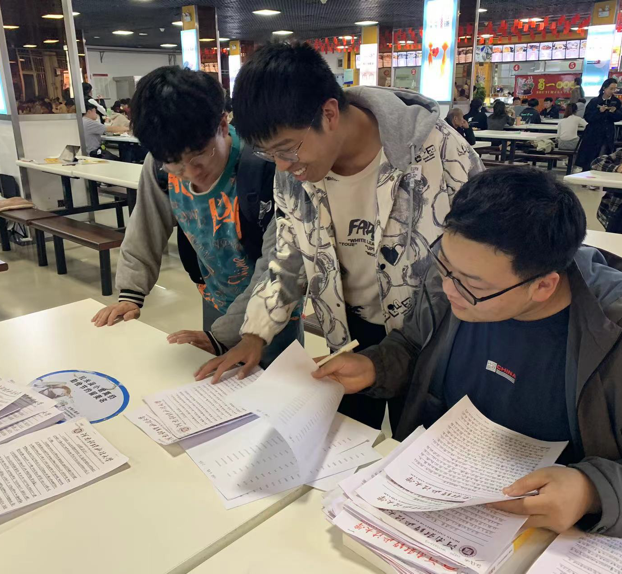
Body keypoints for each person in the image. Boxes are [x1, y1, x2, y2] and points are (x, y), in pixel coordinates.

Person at [314, 166, 622, 547]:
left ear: (543, 286)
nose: (448, 288)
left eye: (472, 285)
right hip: (447, 506)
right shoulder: (456, 276)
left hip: (562, 540)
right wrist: (375, 366)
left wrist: (591, 491)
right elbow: (415, 346)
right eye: (444, 265)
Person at [196, 42, 483, 430]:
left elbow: (476, 265)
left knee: (415, 441)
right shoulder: (294, 174)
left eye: (287, 149)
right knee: (347, 443)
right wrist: (254, 334)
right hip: (347, 332)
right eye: (269, 154)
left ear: (329, 113)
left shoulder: (441, 154)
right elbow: (288, 255)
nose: (283, 166)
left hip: (429, 339)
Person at [90, 66, 302, 367]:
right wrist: (130, 294)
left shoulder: (266, 166)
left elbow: (278, 263)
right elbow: (145, 225)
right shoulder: (159, 164)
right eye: (176, 165)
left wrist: (225, 336)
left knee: (273, 384)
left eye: (200, 156)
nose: (190, 173)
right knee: (219, 386)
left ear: (222, 124)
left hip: (273, 306)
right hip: (215, 296)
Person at [576, 79, 622, 171]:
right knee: (590, 156)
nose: (613, 91)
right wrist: (599, 112)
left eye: (615, 89)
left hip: (607, 133)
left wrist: (614, 112)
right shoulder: (594, 101)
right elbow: (587, 117)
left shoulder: (616, 101)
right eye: (611, 89)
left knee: (604, 156)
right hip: (593, 133)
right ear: (604, 88)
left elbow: (620, 116)